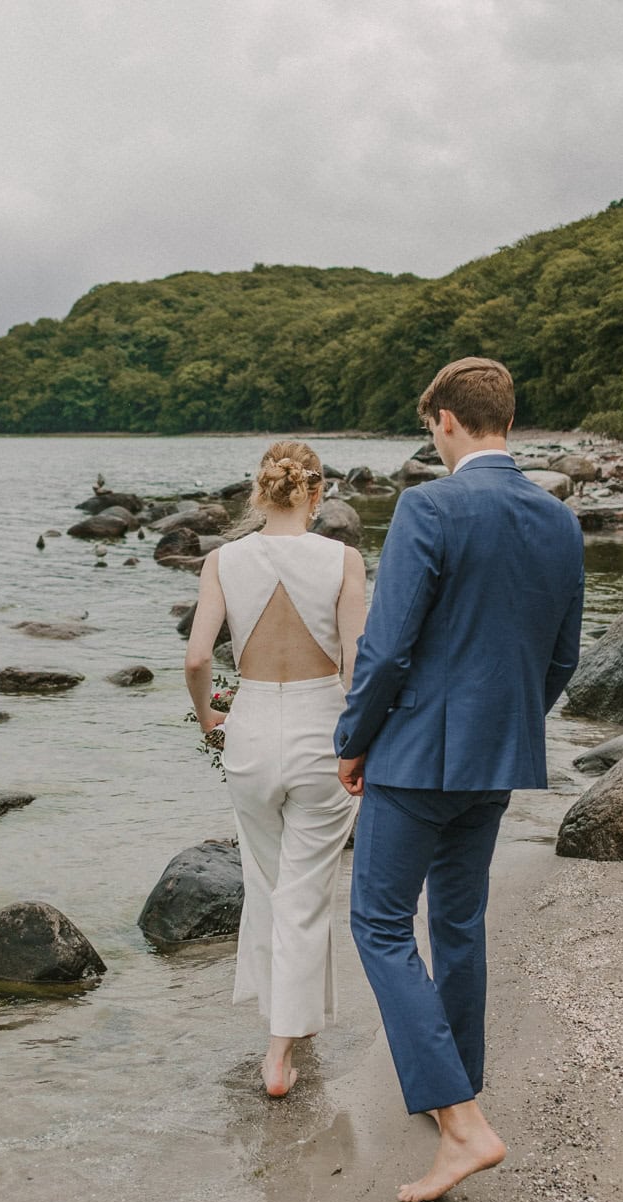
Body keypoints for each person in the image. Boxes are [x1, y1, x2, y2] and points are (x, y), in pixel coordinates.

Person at [334, 357, 585, 1202]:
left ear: (445, 420)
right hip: (497, 755)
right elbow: (561, 657)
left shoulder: (428, 505)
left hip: (416, 756)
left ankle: (460, 1120)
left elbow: (388, 646)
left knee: (376, 921)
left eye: (428, 426)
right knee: (459, 920)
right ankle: (459, 1086)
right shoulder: (557, 519)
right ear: (504, 420)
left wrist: (353, 739)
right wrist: (511, 723)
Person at [185, 441, 369, 1098]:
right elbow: (357, 661)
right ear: (316, 495)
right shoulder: (343, 559)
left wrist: (211, 718)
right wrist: (364, 738)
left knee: (269, 884)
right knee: (306, 892)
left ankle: (292, 1025)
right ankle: (279, 1050)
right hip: (325, 729)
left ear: (259, 493)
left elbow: (197, 656)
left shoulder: (223, 561)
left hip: (252, 729)